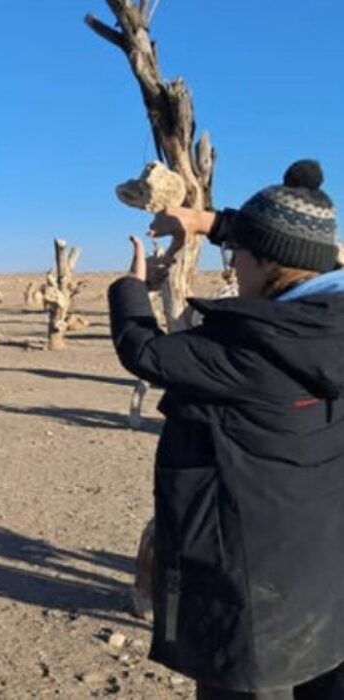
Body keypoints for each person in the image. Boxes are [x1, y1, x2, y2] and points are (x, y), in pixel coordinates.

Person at [108, 160, 344, 699]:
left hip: (251, 589)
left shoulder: (251, 345)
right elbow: (294, 247)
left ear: (269, 263)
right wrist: (203, 221)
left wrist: (131, 286)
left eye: (239, 254)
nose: (232, 263)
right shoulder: (327, 325)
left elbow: (143, 349)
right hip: (327, 574)